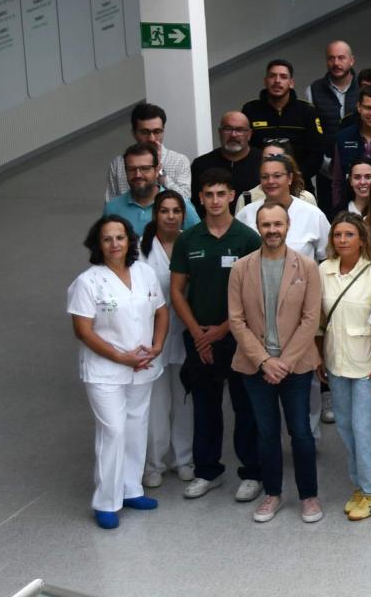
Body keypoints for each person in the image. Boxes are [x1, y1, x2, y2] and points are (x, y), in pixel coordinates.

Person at [170, 170, 265, 502]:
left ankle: (252, 472)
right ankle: (207, 471)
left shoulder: (247, 238)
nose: (214, 200)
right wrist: (199, 334)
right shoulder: (188, 240)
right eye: (208, 194)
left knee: (245, 406)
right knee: (205, 407)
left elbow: (255, 294)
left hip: (239, 337)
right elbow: (177, 291)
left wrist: (224, 329)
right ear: (199, 198)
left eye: (220, 194)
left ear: (231, 196)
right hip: (200, 338)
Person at [228, 201, 325, 523]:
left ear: (287, 226)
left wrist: (283, 361)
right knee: (266, 432)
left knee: (301, 432)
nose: (272, 230)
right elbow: (236, 320)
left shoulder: (306, 267)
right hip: (255, 367)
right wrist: (264, 361)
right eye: (266, 225)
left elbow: (310, 319)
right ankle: (272, 493)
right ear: (258, 228)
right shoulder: (241, 268)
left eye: (278, 224)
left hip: (295, 366)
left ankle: (309, 496)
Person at [70, 215, 168, 529]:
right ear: (98, 245)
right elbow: (83, 331)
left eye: (120, 237)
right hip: (105, 370)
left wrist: (157, 346)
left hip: (142, 365)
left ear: (130, 241)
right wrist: (120, 357)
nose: (115, 244)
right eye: (107, 239)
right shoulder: (88, 282)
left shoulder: (144, 272)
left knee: (137, 426)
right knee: (113, 430)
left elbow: (161, 312)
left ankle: (131, 489)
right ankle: (106, 501)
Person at [315, 213, 371, 521]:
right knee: (345, 426)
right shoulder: (324, 270)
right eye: (338, 235)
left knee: (365, 428)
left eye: (349, 234)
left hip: (368, 364)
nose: (342, 240)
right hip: (336, 362)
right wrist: (318, 355)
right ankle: (360, 485)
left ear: (362, 239)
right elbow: (319, 318)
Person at [139, 192, 195, 488]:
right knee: (156, 404)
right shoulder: (140, 248)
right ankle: (154, 463)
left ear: (183, 215)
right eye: (164, 211)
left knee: (185, 399)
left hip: (187, 331)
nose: (170, 216)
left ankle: (184, 459)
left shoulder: (192, 243)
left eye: (176, 211)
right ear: (155, 215)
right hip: (151, 337)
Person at [242, 60, 326, 196]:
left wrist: (294, 177)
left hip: (300, 186)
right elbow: (245, 150)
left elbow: (316, 154)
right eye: (272, 76)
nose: (277, 81)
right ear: (265, 81)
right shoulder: (251, 110)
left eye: (283, 77)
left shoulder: (306, 111)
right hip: (261, 187)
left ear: (291, 83)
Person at [236, 155, 332, 262]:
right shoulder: (246, 213)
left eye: (277, 176)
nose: (270, 181)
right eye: (265, 177)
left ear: (290, 178)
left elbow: (330, 258)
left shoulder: (313, 214)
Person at [106, 142, 201, 237]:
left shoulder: (180, 205)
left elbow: (199, 242)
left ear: (157, 170)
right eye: (132, 169)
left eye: (145, 168)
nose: (138, 175)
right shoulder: (112, 208)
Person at [104, 102, 193, 202]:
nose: (152, 138)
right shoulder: (118, 164)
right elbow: (110, 205)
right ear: (134, 133)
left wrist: (161, 172)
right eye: (145, 132)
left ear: (163, 131)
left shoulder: (179, 161)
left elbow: (186, 201)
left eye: (157, 132)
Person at [191, 112, 264, 215]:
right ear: (219, 132)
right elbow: (195, 205)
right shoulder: (201, 164)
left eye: (240, 130)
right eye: (228, 129)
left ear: (249, 134)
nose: (233, 135)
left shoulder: (263, 163)